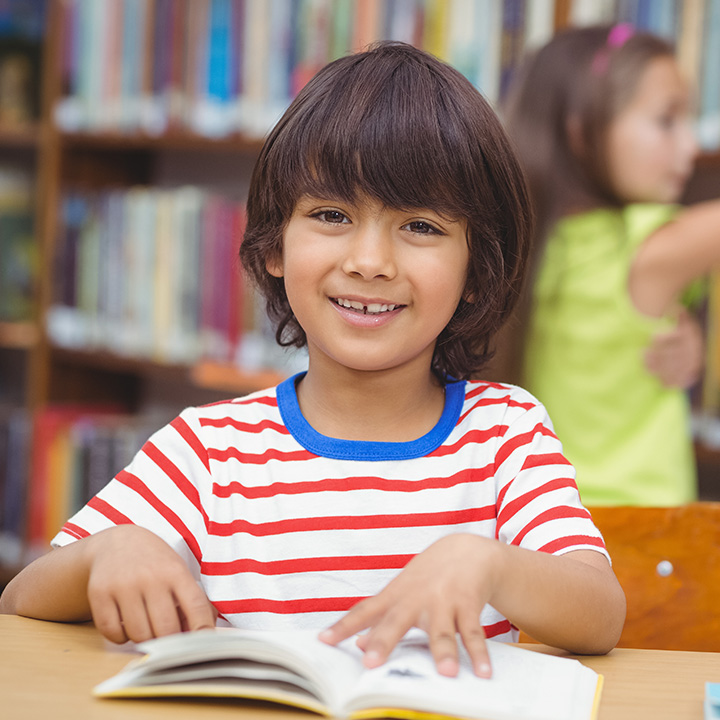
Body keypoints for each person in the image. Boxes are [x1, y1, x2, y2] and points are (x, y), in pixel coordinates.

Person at [0, 42, 625, 678]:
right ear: (273, 244)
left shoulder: (506, 433)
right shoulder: (209, 450)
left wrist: (491, 563)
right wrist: (108, 550)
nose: (370, 261)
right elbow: (21, 599)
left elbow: (600, 613)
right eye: (332, 215)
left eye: (421, 227)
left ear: (476, 268)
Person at [499, 23, 717, 507]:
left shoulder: (518, 247)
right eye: (667, 121)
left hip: (542, 519)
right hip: (649, 533)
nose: (688, 146)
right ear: (583, 132)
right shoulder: (650, 247)